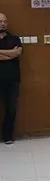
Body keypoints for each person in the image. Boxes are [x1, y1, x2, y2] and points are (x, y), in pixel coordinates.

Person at [0, 13, 22, 145]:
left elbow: (17, 53)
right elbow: (12, 54)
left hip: (12, 80)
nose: (3, 24)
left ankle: (7, 136)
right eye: (0, 21)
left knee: (11, 109)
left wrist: (3, 53)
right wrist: (10, 53)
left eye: (5, 21)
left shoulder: (15, 39)